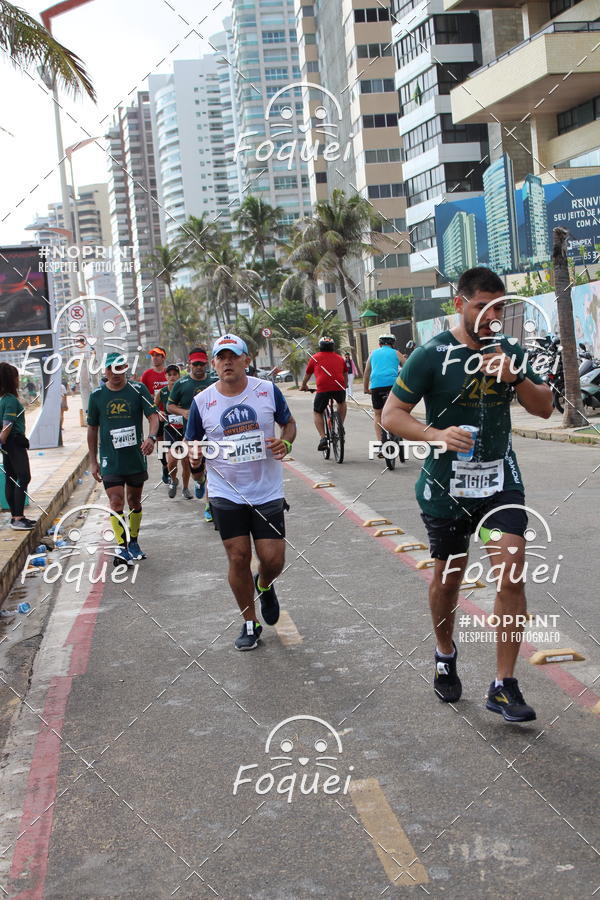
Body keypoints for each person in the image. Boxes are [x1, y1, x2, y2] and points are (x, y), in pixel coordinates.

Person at [382, 266, 553, 722]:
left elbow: (545, 406)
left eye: (498, 307)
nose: (490, 316)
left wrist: (516, 378)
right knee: (449, 578)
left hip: (500, 482)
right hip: (446, 485)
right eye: (482, 307)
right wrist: (435, 434)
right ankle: (444, 651)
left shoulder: (509, 350)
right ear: (459, 304)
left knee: (512, 569)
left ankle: (504, 684)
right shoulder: (432, 354)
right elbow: (392, 414)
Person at [185, 333, 296, 651]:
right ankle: (250, 621)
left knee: (273, 559)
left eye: (233, 355)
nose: (227, 361)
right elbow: (193, 440)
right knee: (238, 557)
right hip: (225, 491)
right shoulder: (202, 401)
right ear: (214, 364)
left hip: (266, 489)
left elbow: (288, 424)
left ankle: (265, 584)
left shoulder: (267, 391)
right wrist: (195, 458)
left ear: (247, 360)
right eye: (221, 357)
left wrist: (285, 441)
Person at [87, 352, 159, 566]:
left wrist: (151, 437)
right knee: (115, 500)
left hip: (135, 457)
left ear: (126, 368)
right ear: (105, 371)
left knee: (134, 501)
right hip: (111, 459)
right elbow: (92, 429)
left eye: (119, 368)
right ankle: (121, 546)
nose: (115, 373)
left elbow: (153, 416)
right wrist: (93, 461)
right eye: (111, 369)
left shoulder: (138, 390)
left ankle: (134, 541)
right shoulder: (97, 395)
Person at [168, 348, 217, 519]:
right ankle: (199, 481)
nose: (198, 367)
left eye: (201, 364)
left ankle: (209, 506)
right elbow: (169, 406)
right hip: (193, 434)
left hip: (214, 434)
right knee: (196, 469)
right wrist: (183, 412)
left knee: (214, 471)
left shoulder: (215, 381)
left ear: (206, 363)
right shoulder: (181, 385)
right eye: (195, 364)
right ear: (189, 364)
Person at [0, 362, 35, 530]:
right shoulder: (11, 401)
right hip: (14, 443)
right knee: (24, 477)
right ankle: (18, 517)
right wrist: (4, 441)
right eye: (16, 377)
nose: (18, 380)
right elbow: (7, 426)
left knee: (11, 478)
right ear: (11, 380)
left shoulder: (3, 400)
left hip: (8, 445)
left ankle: (15, 517)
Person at [300, 337, 347, 452]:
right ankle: (340, 426)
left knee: (317, 411)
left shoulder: (314, 358)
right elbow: (345, 373)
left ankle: (323, 438)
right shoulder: (340, 358)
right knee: (341, 403)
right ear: (333, 347)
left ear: (320, 346)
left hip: (323, 388)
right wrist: (345, 386)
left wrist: (303, 385)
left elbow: (308, 374)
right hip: (338, 386)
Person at [363, 334, 406, 450]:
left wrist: (366, 389)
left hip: (376, 386)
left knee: (378, 414)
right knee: (398, 410)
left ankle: (381, 443)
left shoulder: (373, 354)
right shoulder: (396, 353)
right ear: (393, 344)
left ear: (379, 344)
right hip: (393, 385)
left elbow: (367, 372)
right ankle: (397, 431)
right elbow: (407, 368)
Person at [155, 364, 192, 499]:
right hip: (170, 429)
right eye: (169, 374)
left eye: (175, 374)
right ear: (166, 377)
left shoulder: (185, 390)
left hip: (185, 429)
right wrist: (159, 412)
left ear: (179, 376)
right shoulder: (163, 392)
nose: (172, 377)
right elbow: (153, 405)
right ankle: (174, 480)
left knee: (186, 460)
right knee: (171, 460)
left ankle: (186, 488)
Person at [141, 346, 170, 484]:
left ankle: (172, 465)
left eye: (158, 355)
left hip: (172, 413)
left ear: (163, 357)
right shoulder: (147, 375)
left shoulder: (170, 373)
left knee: (175, 442)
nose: (155, 358)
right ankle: (165, 467)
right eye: (153, 355)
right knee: (161, 443)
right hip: (157, 414)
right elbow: (143, 396)